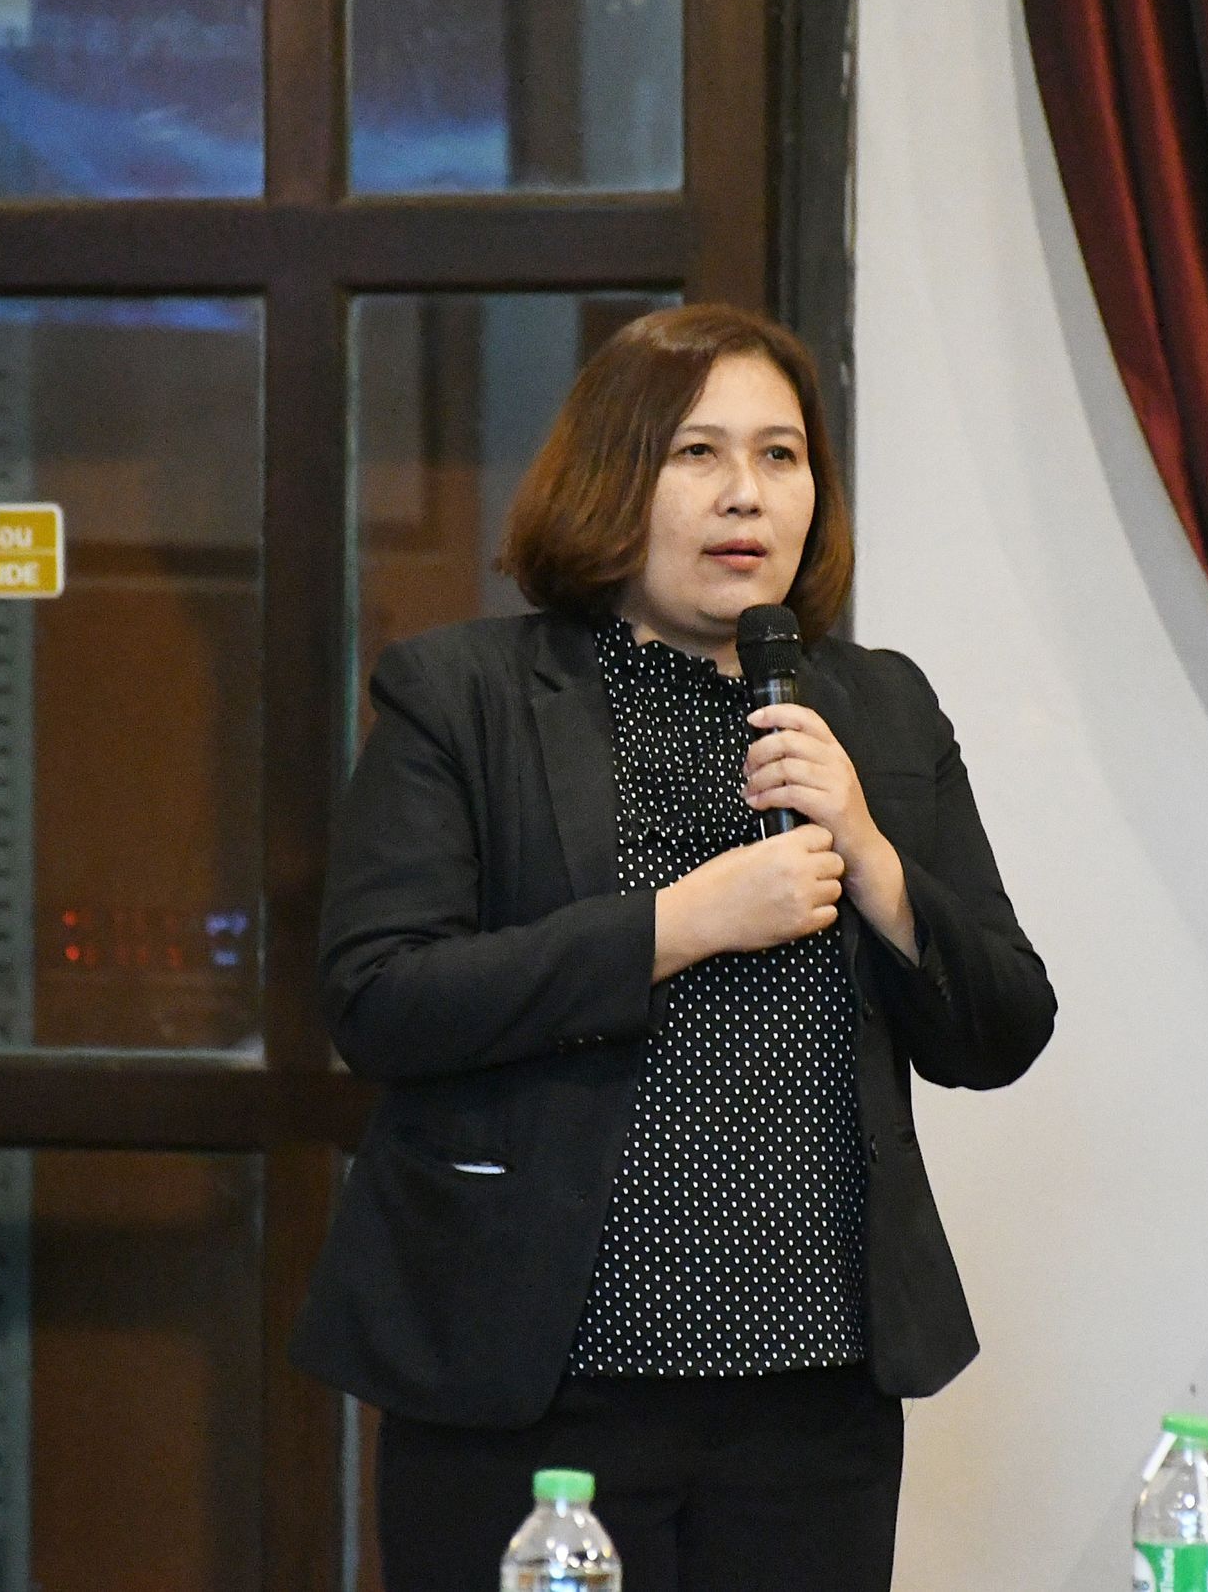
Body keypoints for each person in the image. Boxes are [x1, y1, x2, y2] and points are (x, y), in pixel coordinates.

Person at [291, 303, 1058, 1591]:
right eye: (697, 453)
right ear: (613, 480)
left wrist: (872, 857)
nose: (744, 493)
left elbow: (1005, 1027)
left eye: (780, 455)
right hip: (539, 1381)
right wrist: (675, 926)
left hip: (813, 1390)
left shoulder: (879, 707)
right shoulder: (465, 695)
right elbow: (380, 996)